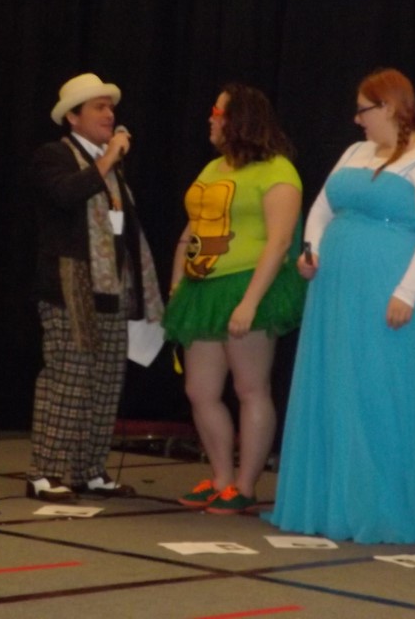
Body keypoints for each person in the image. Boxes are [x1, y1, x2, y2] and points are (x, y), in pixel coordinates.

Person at [267, 67, 415, 544]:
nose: (357, 119)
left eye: (363, 110)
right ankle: (332, 503)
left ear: (388, 107)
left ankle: (381, 508)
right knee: (337, 387)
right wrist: (312, 251)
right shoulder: (354, 153)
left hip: (388, 289)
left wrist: (407, 292)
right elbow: (321, 209)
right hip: (335, 292)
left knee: (380, 391)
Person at [162, 83, 304, 515]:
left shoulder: (277, 171)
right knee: (200, 390)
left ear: (239, 118)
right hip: (203, 287)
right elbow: (193, 228)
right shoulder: (212, 169)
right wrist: (177, 283)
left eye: (217, 111)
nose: (211, 118)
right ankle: (221, 477)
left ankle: (245, 484)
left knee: (250, 387)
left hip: (248, 283)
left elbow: (280, 241)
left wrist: (250, 302)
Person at [25, 73, 163, 502]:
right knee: (68, 376)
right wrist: (107, 161)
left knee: (105, 380)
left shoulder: (111, 164)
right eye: (99, 107)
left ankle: (88, 470)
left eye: (111, 106)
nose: (110, 114)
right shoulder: (53, 155)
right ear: (73, 117)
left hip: (112, 288)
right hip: (70, 286)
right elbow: (66, 195)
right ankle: (46, 472)